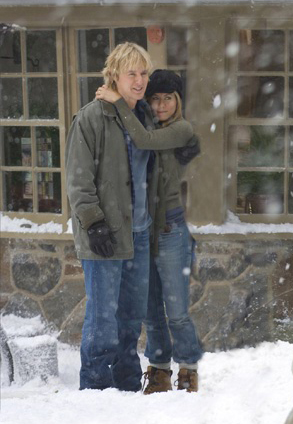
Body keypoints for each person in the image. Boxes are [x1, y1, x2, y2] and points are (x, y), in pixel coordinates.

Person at [66, 43, 193, 391]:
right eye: (131, 74)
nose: (139, 81)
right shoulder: (91, 118)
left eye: (143, 74)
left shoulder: (144, 117)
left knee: (130, 318)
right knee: (102, 319)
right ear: (114, 76)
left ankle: (124, 384)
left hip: (139, 233)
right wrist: (93, 223)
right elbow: (77, 180)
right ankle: (95, 387)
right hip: (104, 233)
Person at [96, 69, 203, 394]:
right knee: (151, 311)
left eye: (167, 98)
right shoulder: (143, 124)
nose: (160, 105)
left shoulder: (180, 129)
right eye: (154, 98)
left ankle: (188, 368)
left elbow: (144, 140)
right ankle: (158, 369)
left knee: (177, 312)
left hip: (170, 230)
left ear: (177, 100)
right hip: (144, 230)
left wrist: (118, 103)